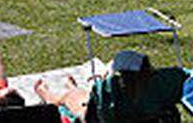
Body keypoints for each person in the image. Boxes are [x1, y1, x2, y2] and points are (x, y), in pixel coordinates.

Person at [36, 50, 184, 123]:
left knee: (72, 97)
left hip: (97, 115)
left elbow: (91, 117)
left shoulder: (110, 93)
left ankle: (46, 93)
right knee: (82, 95)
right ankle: (71, 87)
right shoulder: (160, 88)